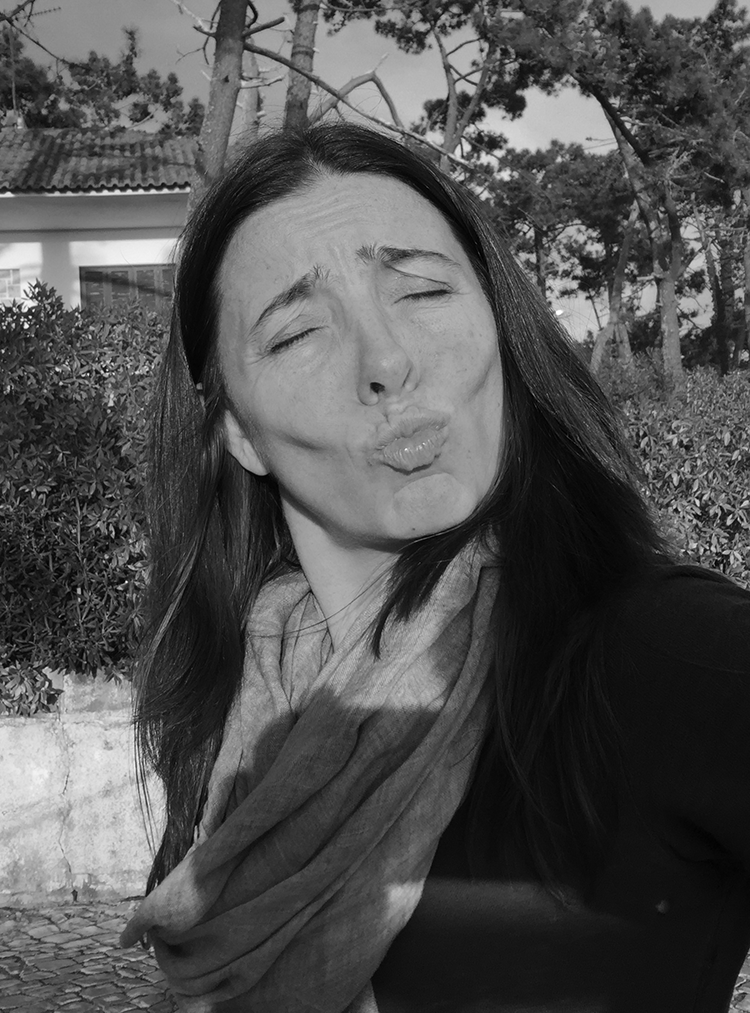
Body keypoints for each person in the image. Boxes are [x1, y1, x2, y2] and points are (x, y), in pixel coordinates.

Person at [120, 122, 750, 1013]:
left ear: (500, 321)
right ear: (236, 431)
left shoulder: (666, 652)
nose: (386, 362)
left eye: (420, 290)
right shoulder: (249, 717)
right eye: (297, 332)